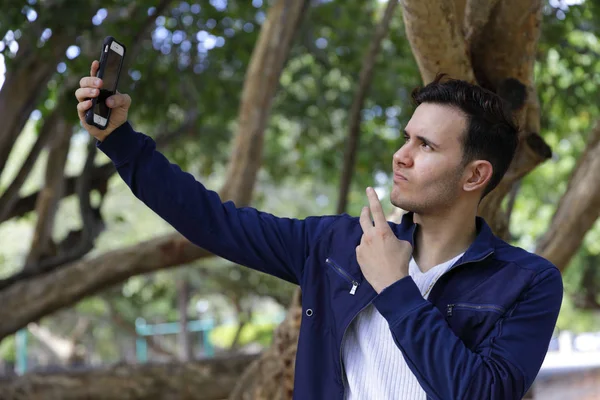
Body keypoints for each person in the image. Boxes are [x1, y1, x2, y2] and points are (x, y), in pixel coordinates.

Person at [76, 61, 563, 400]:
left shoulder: (529, 282)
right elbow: (212, 221)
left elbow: (479, 393)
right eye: (405, 137)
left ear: (475, 175)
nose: (401, 154)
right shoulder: (334, 246)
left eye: (426, 146)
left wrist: (395, 288)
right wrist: (119, 140)